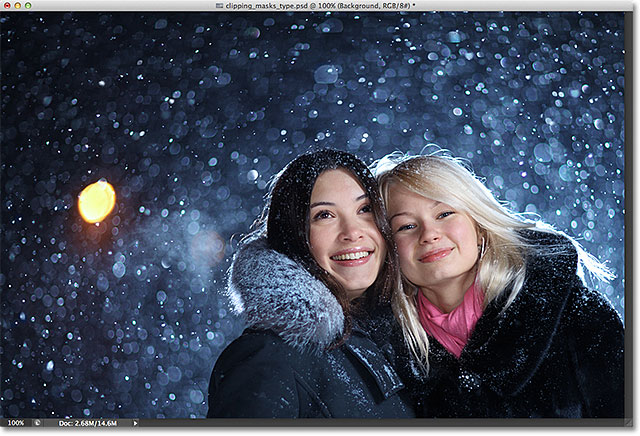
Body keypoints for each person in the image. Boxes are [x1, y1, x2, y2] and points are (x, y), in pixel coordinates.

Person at [372, 150, 624, 418]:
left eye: (444, 213)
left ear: (478, 225)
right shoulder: (387, 353)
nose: (429, 234)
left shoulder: (576, 315)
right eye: (406, 226)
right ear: (389, 248)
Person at [207, 149, 415, 418]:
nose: (352, 233)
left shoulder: (397, 344)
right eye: (324, 215)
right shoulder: (268, 356)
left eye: (364, 209)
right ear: (294, 235)